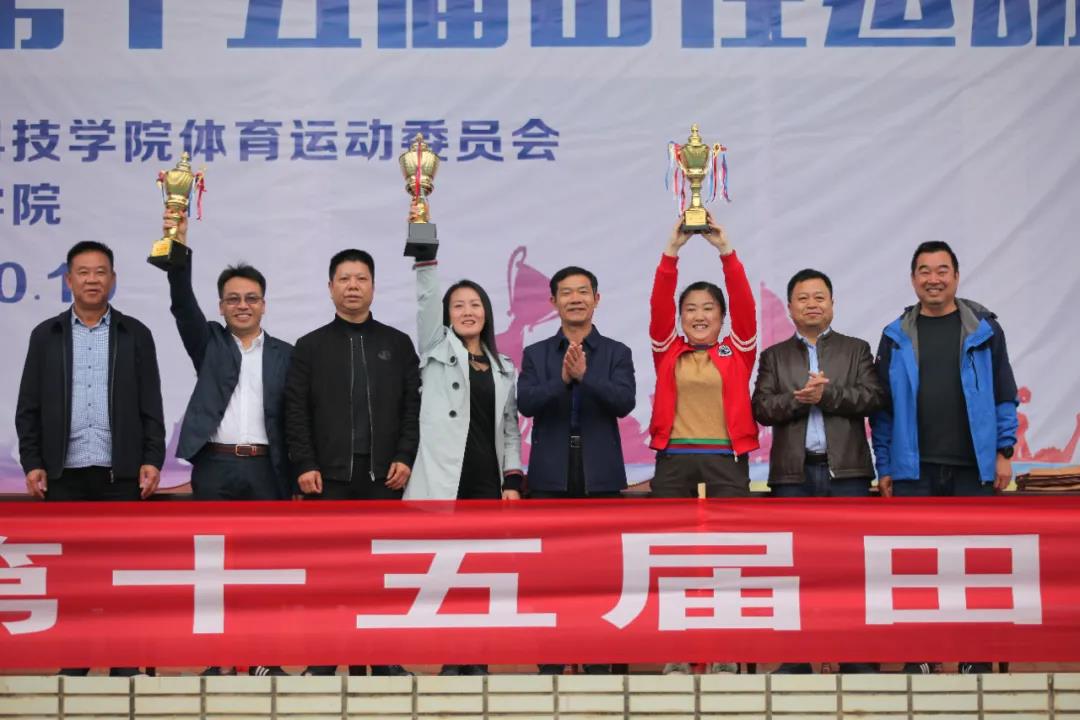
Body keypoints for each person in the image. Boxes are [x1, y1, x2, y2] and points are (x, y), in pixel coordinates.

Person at [16, 240, 165, 677]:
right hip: (64, 474)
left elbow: (152, 404)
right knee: (73, 576)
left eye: (101, 272)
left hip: (121, 475)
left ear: (113, 280)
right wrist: (33, 461)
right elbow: (28, 407)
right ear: (69, 280)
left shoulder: (135, 334)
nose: (92, 280)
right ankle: (75, 661)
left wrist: (152, 458)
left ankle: (125, 663)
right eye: (83, 272)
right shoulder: (46, 335)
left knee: (123, 574)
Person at [871, 240, 1019, 674]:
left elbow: (1004, 394)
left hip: (973, 468)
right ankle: (921, 657)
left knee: (977, 566)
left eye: (941, 271)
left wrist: (1003, 451)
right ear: (912, 279)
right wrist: (886, 466)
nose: (933, 279)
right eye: (924, 271)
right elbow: (883, 410)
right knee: (916, 568)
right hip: (914, 471)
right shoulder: (895, 335)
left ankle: (975, 658)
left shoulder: (984, 330)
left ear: (955, 276)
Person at [163, 212, 292, 677]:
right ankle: (218, 660)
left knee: (263, 569)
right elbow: (182, 305)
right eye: (233, 299)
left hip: (266, 469)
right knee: (213, 568)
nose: (242, 306)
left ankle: (262, 658)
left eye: (251, 298)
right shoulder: (209, 344)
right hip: (215, 468)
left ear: (264, 305)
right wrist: (177, 245)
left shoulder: (287, 355)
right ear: (220, 306)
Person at [285, 248, 420, 677]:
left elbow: (413, 409)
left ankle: (384, 660)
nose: (353, 287)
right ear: (330, 288)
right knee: (328, 575)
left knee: (382, 575)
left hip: (384, 478)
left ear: (374, 286)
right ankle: (324, 662)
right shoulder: (310, 347)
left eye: (361, 278)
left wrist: (405, 456)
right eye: (344, 279)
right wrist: (305, 463)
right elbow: (295, 412)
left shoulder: (397, 344)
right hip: (328, 479)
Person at [752, 268, 884, 674]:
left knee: (852, 570)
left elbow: (873, 398)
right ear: (790, 308)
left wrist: (827, 395)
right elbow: (761, 408)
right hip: (793, 476)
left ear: (832, 304)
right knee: (793, 571)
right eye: (803, 298)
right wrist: (799, 399)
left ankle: (857, 660)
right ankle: (796, 661)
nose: (812, 304)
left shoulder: (856, 350)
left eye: (819, 297)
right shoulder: (774, 356)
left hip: (847, 475)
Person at [403, 254, 523, 676]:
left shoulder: (504, 367)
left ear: (486, 313)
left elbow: (510, 429)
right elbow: (426, 299)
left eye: (475, 304)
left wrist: (512, 479)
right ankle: (451, 659)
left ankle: (476, 660)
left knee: (480, 572)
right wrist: (425, 259)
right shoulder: (436, 349)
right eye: (458, 305)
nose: (467, 311)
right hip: (444, 479)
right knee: (445, 573)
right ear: (447, 316)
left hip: (485, 481)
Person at [517, 264, 635, 675]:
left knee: (602, 573)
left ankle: (601, 662)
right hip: (550, 476)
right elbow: (527, 403)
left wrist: (586, 378)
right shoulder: (536, 354)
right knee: (550, 573)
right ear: (553, 302)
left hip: (600, 475)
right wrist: (564, 381)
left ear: (596, 299)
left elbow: (624, 402)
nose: (575, 299)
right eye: (566, 293)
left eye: (583, 291)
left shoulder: (617, 352)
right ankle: (552, 661)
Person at [648, 213, 758, 497]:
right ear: (680, 317)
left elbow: (744, 304)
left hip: (726, 458)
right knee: (667, 526)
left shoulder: (738, 351)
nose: (699, 316)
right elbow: (660, 304)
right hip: (673, 458)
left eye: (708, 308)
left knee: (732, 526)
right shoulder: (667, 350)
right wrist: (672, 251)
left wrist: (726, 251)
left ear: (722, 317)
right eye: (690, 309)